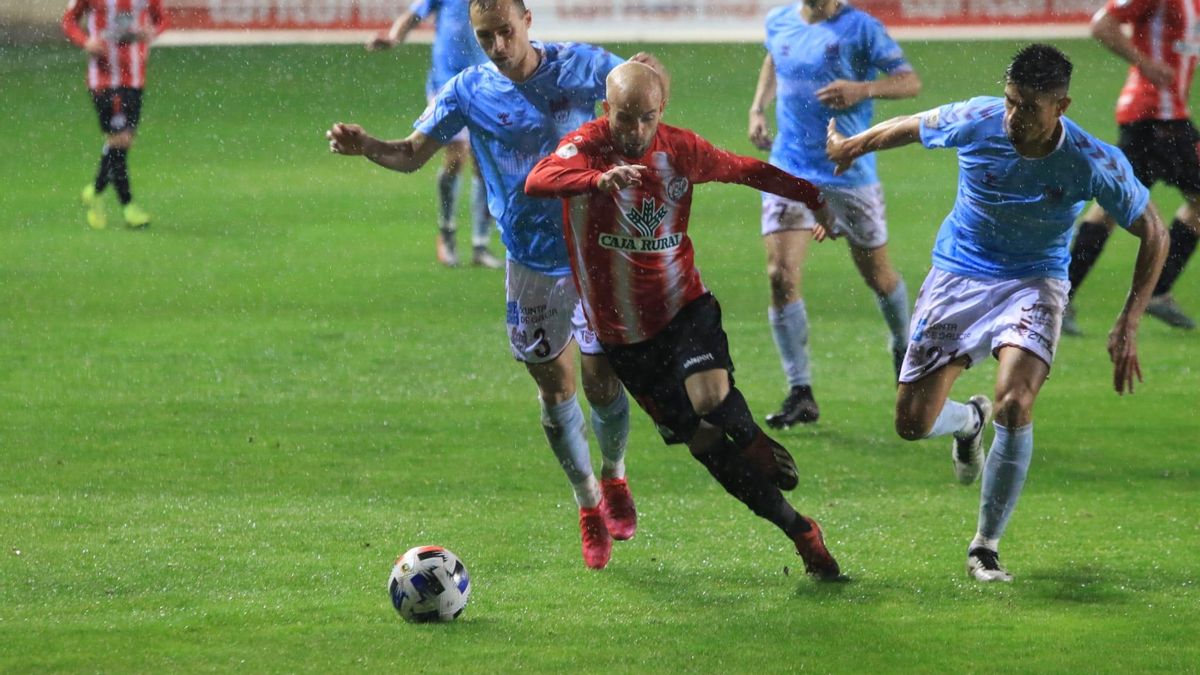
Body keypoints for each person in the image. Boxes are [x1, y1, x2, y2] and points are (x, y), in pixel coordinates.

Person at [328, 0, 667, 570]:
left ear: (528, 20)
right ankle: (587, 503)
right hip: (532, 263)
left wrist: (650, 76)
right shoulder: (467, 90)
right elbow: (413, 155)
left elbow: (646, 79)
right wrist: (368, 147)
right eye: (485, 37)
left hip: (595, 251)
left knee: (603, 381)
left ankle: (614, 475)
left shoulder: (579, 67)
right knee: (554, 390)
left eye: (506, 32)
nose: (498, 47)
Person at [826, 44, 1167, 582]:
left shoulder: (1092, 160)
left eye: (1029, 107)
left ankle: (985, 546)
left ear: (1062, 106)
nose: (1014, 117)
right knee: (911, 424)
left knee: (1016, 401)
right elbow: (915, 124)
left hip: (1034, 282)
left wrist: (1129, 318)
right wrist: (851, 146)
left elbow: (1155, 230)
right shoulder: (979, 119)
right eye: (1011, 101)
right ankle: (968, 421)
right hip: (958, 274)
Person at [525, 62, 842, 580]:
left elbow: (748, 170)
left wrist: (815, 197)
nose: (635, 131)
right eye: (625, 118)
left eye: (646, 118)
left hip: (682, 309)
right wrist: (598, 179)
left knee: (711, 398)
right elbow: (539, 179)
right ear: (608, 110)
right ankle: (800, 531)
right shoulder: (585, 146)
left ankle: (753, 436)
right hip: (622, 338)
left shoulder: (681, 151)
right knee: (706, 445)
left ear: (661, 112)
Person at [748, 0, 922, 427]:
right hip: (790, 166)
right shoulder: (780, 20)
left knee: (878, 276)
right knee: (780, 276)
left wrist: (863, 89)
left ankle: (904, 345)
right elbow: (774, 55)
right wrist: (758, 107)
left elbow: (909, 82)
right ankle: (800, 391)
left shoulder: (861, 28)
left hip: (849, 169)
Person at [1062, 0, 1200, 334]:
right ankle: (1156, 290)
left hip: (1163, 117)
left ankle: (1061, 296)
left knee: (1111, 207)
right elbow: (1103, 24)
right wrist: (1146, 64)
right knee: (1116, 205)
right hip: (1154, 117)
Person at [367, 0, 501, 268]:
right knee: (455, 157)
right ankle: (447, 235)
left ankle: (480, 244)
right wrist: (394, 38)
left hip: (482, 82)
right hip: (446, 84)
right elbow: (413, 15)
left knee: (483, 164)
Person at [63, 0, 165, 230]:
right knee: (120, 139)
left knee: (120, 143)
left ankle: (96, 191)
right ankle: (128, 206)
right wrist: (85, 41)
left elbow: (161, 19)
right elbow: (69, 20)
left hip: (136, 79)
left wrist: (151, 32)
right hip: (105, 79)